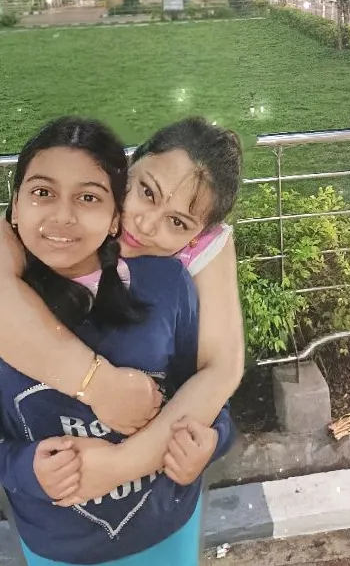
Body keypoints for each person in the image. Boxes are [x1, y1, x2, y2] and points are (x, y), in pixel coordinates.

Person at [0, 117, 234, 566]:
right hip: (57, 545)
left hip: (167, 528)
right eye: (42, 192)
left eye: (88, 197)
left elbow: (208, 393)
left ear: (111, 217)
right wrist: (26, 469)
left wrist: (211, 440)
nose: (63, 216)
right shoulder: (10, 296)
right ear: (13, 207)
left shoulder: (168, 284)